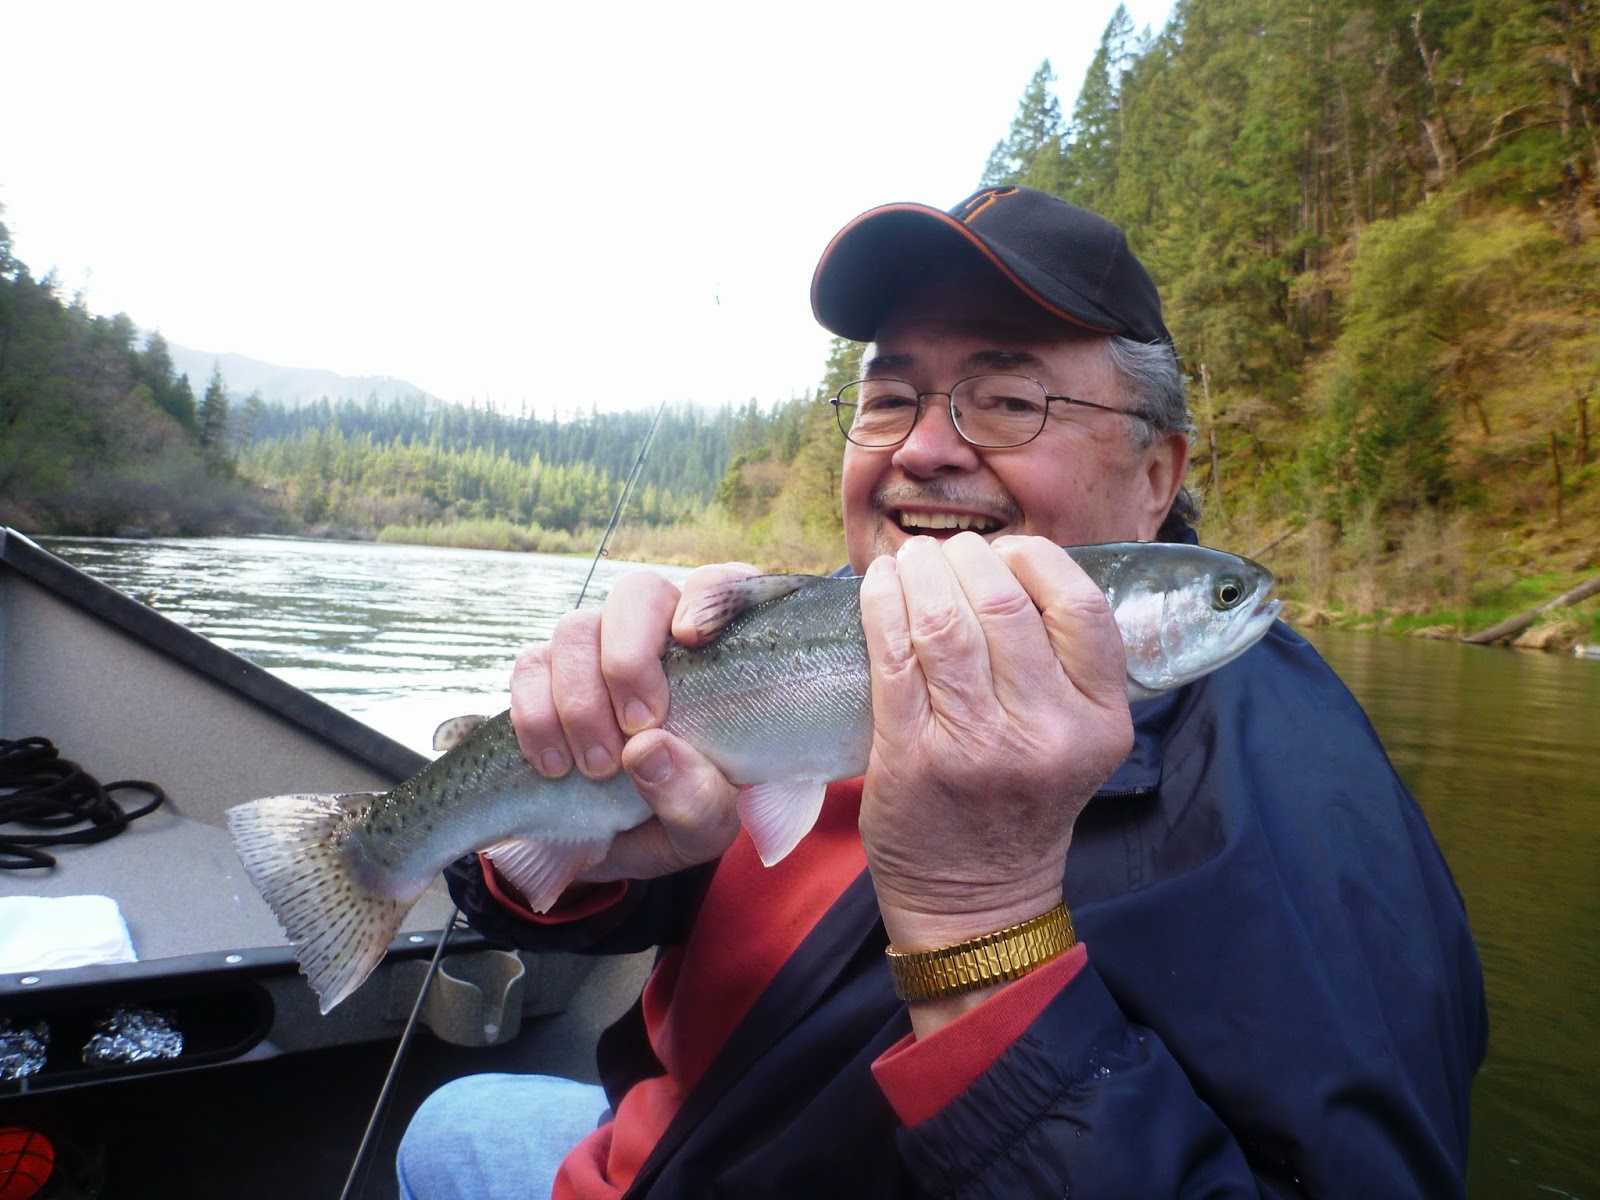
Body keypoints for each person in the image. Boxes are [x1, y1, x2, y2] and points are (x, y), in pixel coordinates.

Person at [397, 186, 1486, 1198]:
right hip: (657, 1145)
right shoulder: (810, 625)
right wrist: (562, 824)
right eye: (888, 397)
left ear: (1156, 478)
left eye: (1008, 398)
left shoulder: (1296, 799)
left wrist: (982, 931)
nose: (923, 448)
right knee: (451, 1122)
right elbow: (700, 902)